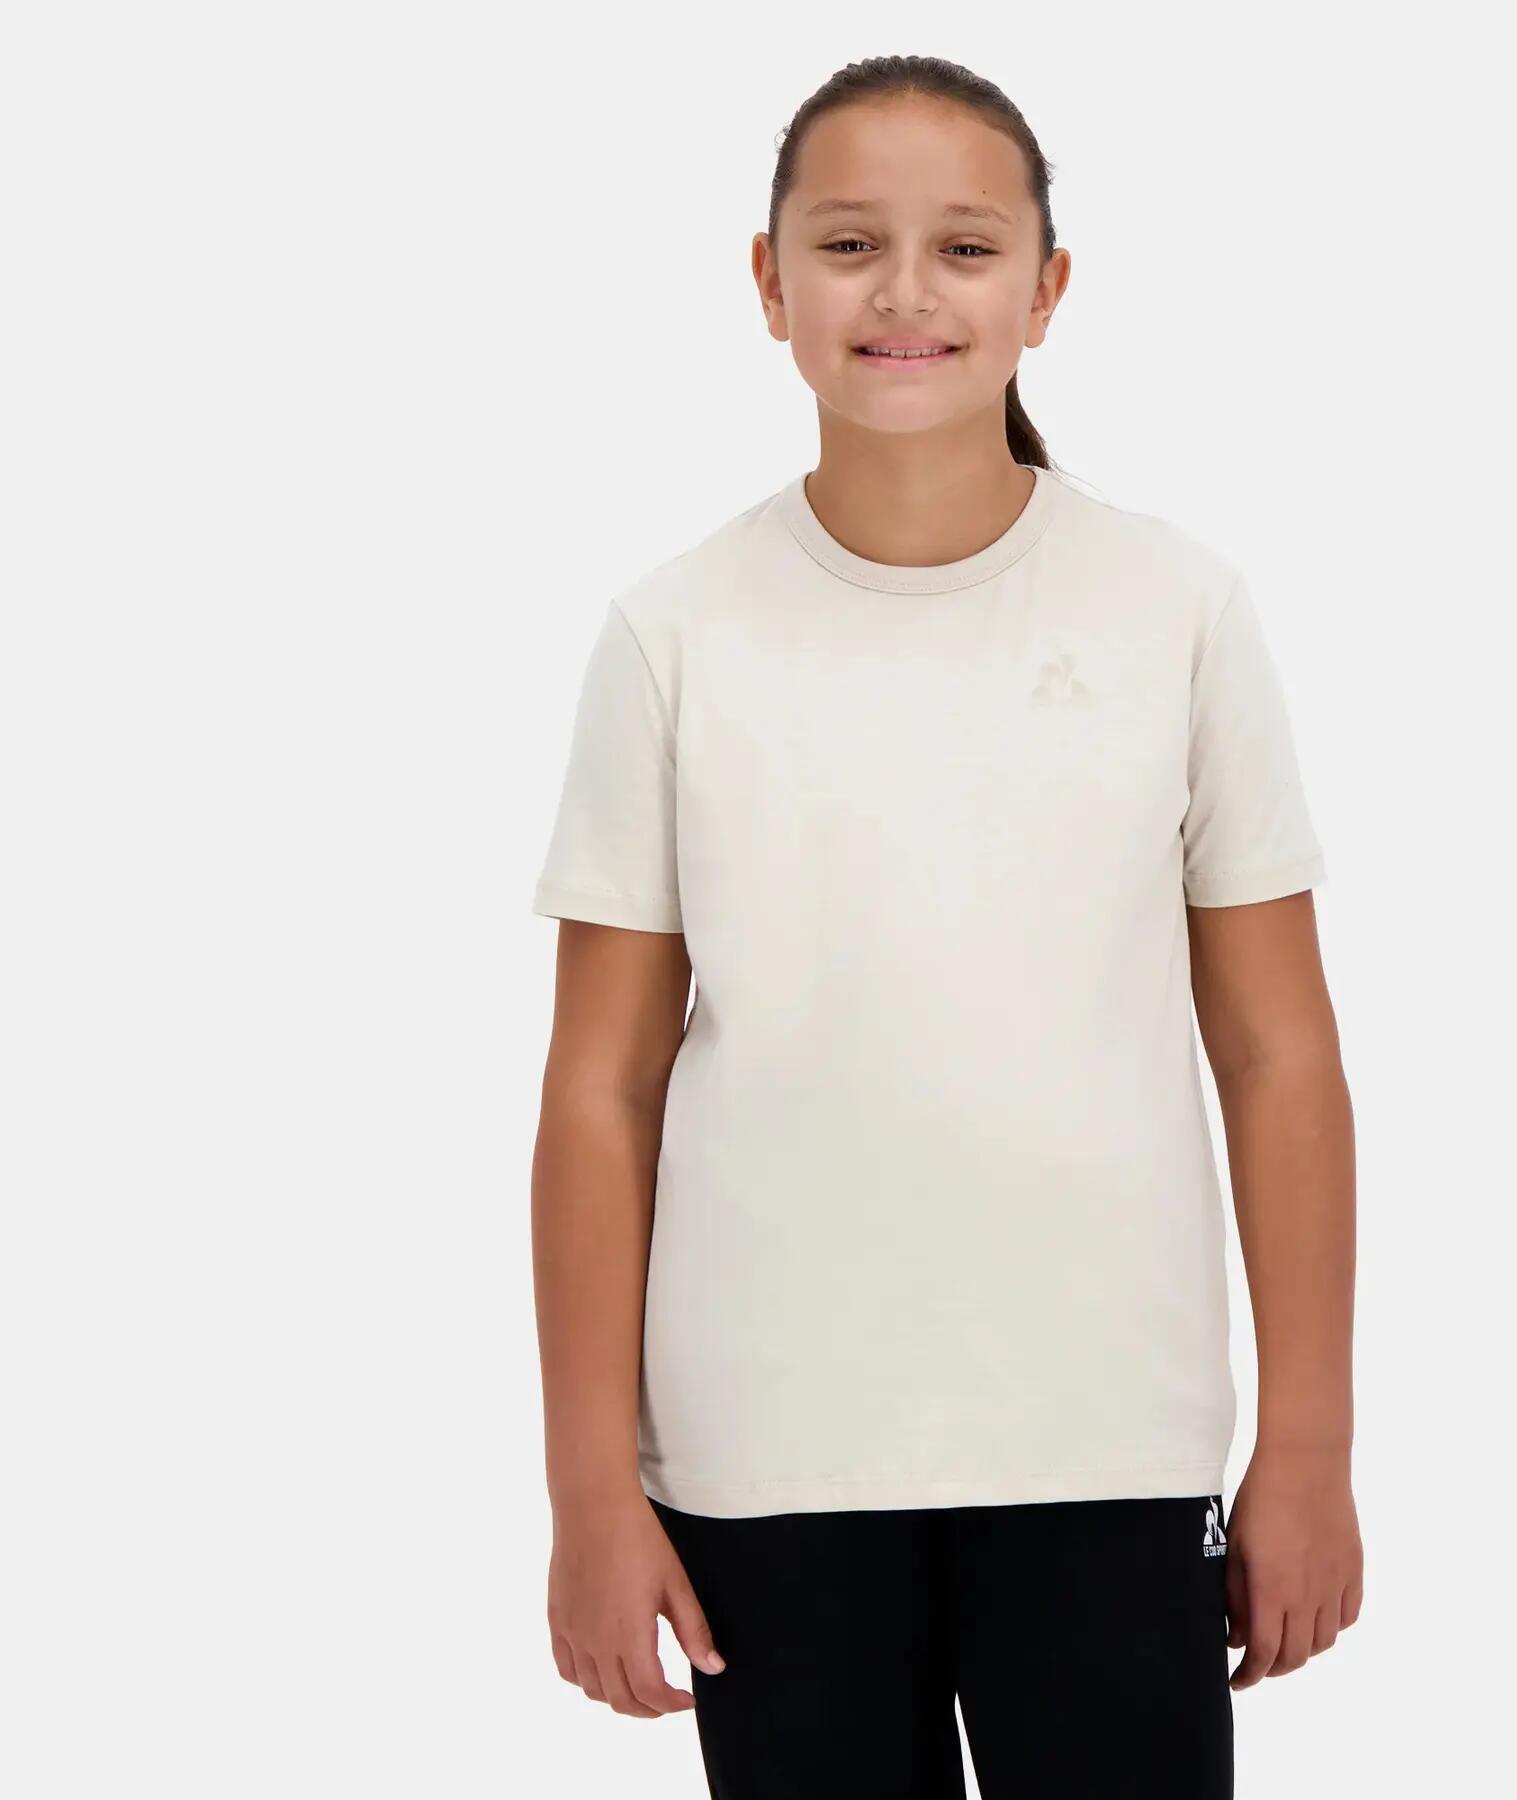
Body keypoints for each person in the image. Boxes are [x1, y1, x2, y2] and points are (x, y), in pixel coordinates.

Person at [529, 53, 1361, 1799]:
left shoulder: (1175, 610)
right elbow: (602, 1089)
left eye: (966, 249)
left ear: (1046, 291)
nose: (905, 292)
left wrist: (1310, 1444)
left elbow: (1276, 1050)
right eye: (849, 245)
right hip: (767, 1464)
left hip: (1108, 1445)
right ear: (769, 284)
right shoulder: (676, 636)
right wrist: (590, 1490)